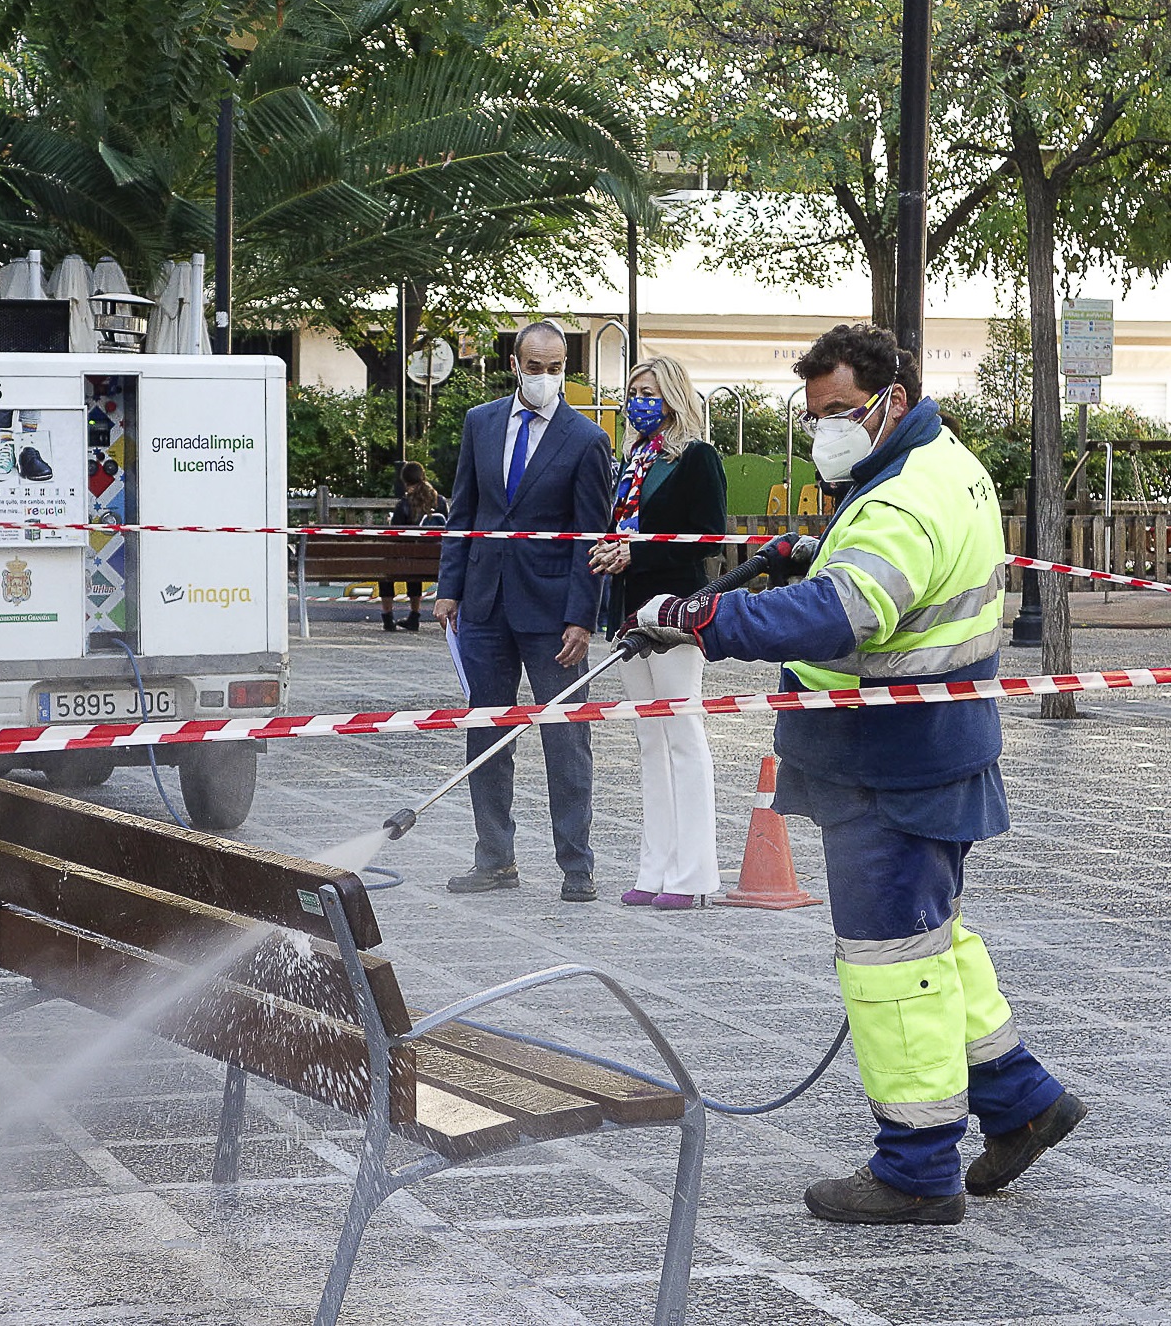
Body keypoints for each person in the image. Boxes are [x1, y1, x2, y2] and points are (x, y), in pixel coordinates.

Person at [621, 323, 1085, 1224]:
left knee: (889, 967)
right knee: (935, 941)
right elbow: (883, 578)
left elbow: (846, 615)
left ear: (891, 404)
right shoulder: (941, 464)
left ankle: (916, 1170)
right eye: (815, 416)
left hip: (892, 765)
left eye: (838, 412)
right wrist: (808, 550)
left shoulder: (903, 498)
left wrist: (698, 617)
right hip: (931, 749)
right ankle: (1024, 1103)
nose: (824, 428)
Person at [435, 320, 613, 902]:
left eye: (555, 367)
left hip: (553, 610)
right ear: (515, 365)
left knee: (565, 738)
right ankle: (495, 858)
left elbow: (594, 535)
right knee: (486, 732)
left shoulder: (585, 438)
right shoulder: (480, 423)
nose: (544, 377)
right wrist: (449, 587)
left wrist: (582, 618)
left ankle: (576, 866)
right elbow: (464, 510)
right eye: (534, 367)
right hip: (485, 604)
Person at [588, 357, 727, 909]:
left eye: (649, 391)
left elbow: (709, 537)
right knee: (649, 739)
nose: (639, 400)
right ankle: (655, 869)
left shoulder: (697, 458)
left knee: (683, 733)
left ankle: (693, 876)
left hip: (675, 607)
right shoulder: (632, 460)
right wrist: (612, 550)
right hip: (627, 606)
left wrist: (636, 550)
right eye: (633, 391)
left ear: (673, 396)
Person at [378, 461, 448, 633]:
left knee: (387, 565)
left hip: (410, 562)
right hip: (437, 562)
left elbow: (395, 537)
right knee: (415, 563)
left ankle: (388, 617)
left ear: (405, 481)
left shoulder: (404, 504)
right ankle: (414, 615)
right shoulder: (440, 501)